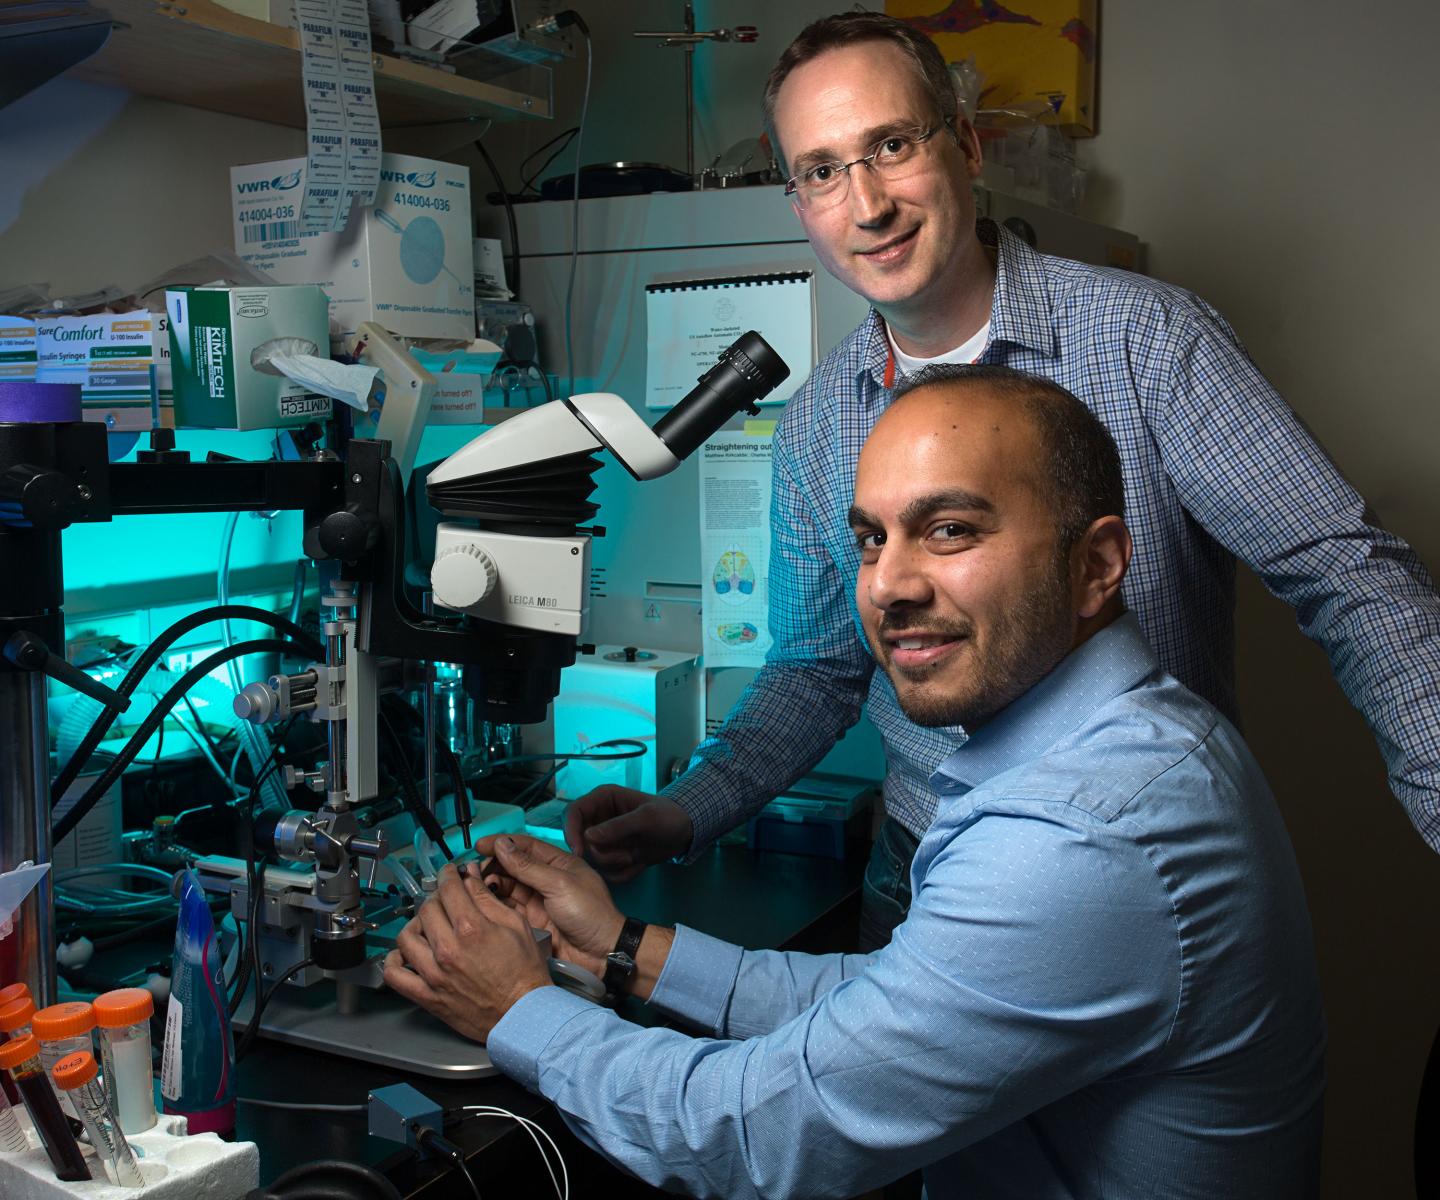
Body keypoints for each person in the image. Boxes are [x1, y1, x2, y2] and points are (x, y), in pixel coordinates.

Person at [563, 11, 1440, 943]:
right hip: (923, 867)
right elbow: (816, 668)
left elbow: (1348, 578)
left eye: (892, 145)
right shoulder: (819, 422)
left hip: (1126, 866)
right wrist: (691, 806)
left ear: (968, 147)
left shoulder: (1146, 343)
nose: (867, 206)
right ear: (800, 204)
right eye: (823, 171)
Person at [385, 368, 1326, 1199]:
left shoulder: (1078, 835)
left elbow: (749, 1138)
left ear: (1096, 566)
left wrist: (519, 1008)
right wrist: (623, 946)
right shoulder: (1122, 739)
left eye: (949, 530)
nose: (887, 586)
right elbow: (896, 1004)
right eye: (873, 540)